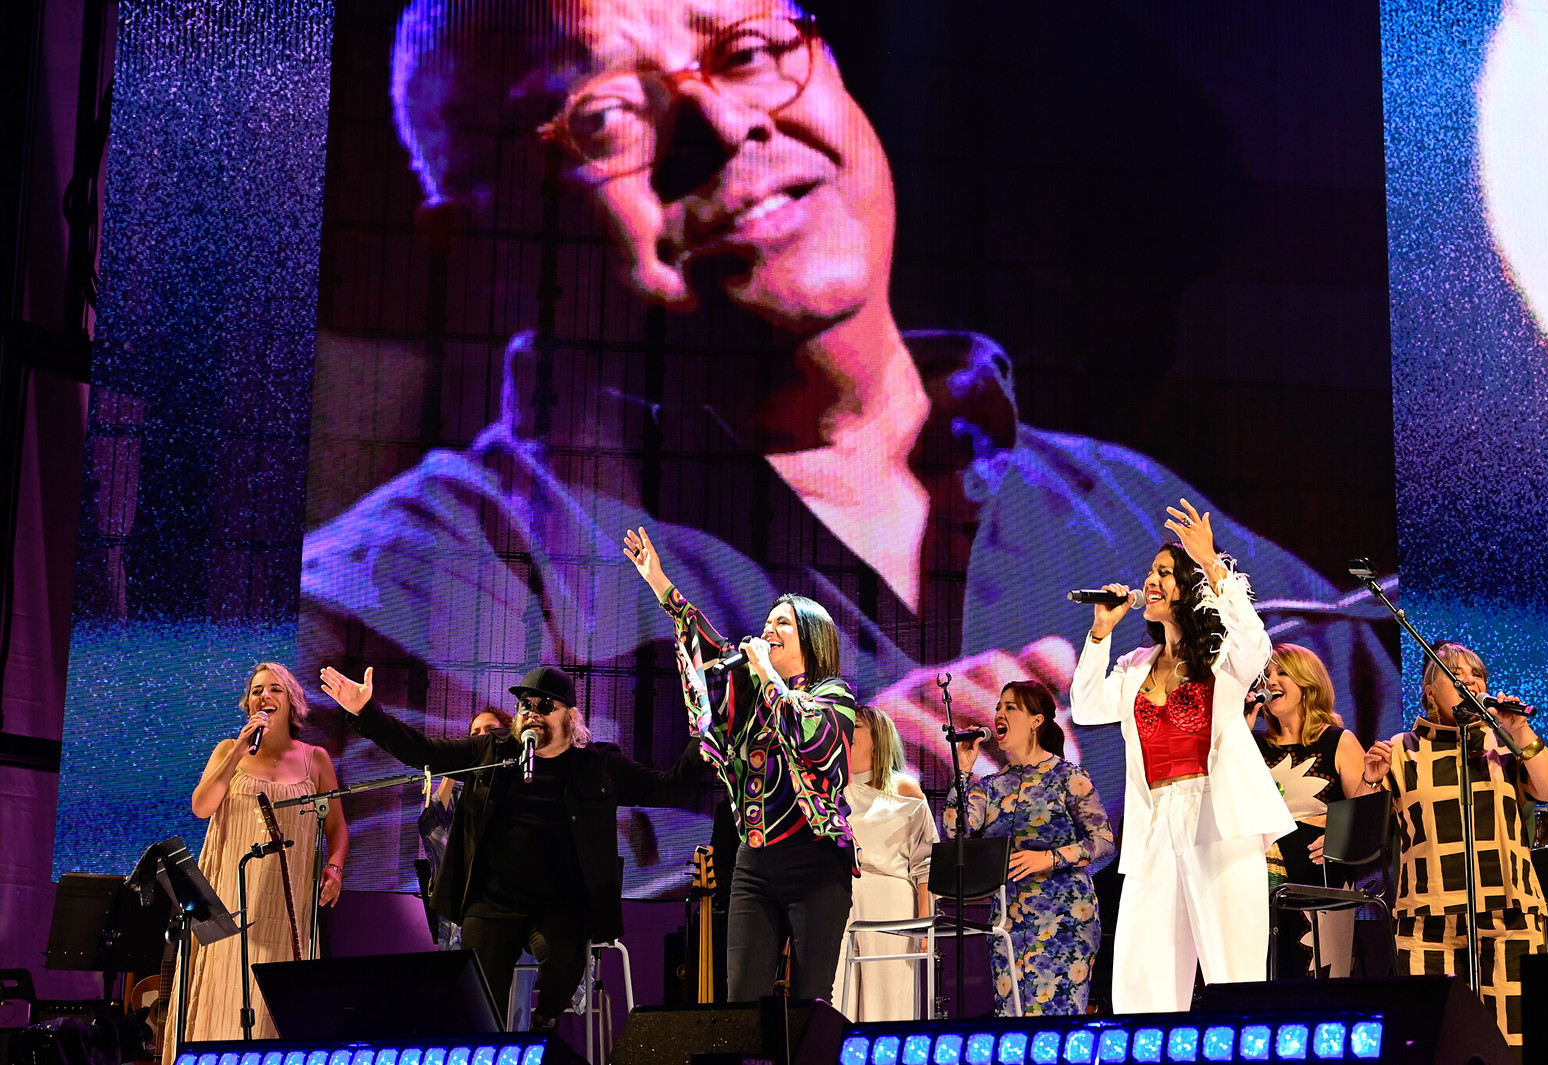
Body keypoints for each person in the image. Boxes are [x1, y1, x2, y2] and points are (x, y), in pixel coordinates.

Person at [298, 0, 1401, 896]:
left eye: (747, 50)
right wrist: (812, 812)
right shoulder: (423, 575)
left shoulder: (1117, 511)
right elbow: (384, 920)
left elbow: (1410, 761)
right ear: (477, 239)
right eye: (604, 119)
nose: (727, 126)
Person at [317, 662, 704, 1029]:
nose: (533, 712)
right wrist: (366, 712)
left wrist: (706, 732)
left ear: (570, 717)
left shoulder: (597, 766)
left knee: (565, 963)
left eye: (545, 705)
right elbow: (422, 750)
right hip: (492, 904)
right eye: (525, 705)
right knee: (481, 1003)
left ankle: (544, 1020)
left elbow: (670, 788)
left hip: (561, 905)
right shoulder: (489, 753)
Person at [1069, 499, 1295, 1013]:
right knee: (1139, 976)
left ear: (1189, 588)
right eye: (1150, 571)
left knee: (1233, 975)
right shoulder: (1134, 666)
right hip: (1154, 827)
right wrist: (1100, 632)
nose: (1150, 580)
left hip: (1218, 819)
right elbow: (1084, 707)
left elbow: (1255, 646)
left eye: (1164, 573)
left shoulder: (1221, 660)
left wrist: (1212, 562)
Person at [624, 525, 856, 1003]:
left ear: (812, 640)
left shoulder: (835, 697)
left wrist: (768, 673)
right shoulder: (749, 697)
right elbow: (707, 646)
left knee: (809, 1003)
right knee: (742, 1004)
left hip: (815, 863)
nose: (768, 630)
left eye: (784, 624)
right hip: (753, 863)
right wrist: (660, 585)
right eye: (767, 622)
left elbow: (811, 739)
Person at [1362, 642, 1548, 1048]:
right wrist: (1370, 778)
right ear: (1429, 690)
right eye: (1454, 674)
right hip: (1427, 919)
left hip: (1507, 913)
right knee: (1432, 1040)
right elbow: (1364, 835)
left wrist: (1519, 730)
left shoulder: (1504, 744)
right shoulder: (1403, 749)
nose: (1469, 681)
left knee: (1513, 1037)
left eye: (1477, 675)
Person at [171, 663, 348, 1053]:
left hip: (288, 904)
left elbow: (336, 827)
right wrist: (237, 748)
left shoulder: (315, 759)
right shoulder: (228, 751)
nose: (263, 696)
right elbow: (201, 807)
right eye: (256, 691)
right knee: (227, 992)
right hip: (232, 898)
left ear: (293, 703)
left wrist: (334, 868)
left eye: (275, 689)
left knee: (278, 1003)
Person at [947, 680, 1115, 1016]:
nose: (999, 713)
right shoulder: (990, 786)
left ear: (1036, 721)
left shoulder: (1068, 776)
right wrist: (963, 771)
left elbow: (1103, 841)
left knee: (1056, 1020)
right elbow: (956, 830)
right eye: (998, 707)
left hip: (1064, 914)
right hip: (1009, 918)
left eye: (1010, 707)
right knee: (1011, 1018)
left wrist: (1048, 858)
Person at [1253, 643, 1367, 978]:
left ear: (1308, 684)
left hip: (1319, 884)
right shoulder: (1251, 746)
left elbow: (1368, 814)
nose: (1271, 682)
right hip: (1259, 886)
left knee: (1318, 985)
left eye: (1282, 672)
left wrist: (1339, 830)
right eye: (1266, 676)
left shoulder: (1337, 741)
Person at [831, 704, 938, 1021]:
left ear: (878, 738)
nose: (846, 731)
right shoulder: (828, 791)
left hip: (889, 902)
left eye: (857, 726)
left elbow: (926, 864)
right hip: (837, 899)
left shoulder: (904, 789)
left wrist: (924, 923)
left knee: (888, 1005)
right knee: (836, 999)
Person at [418, 706, 513, 948]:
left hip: (512, 898)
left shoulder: (519, 784)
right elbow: (432, 827)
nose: (482, 736)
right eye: (475, 732)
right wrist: (455, 767)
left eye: (490, 730)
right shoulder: (462, 791)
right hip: (470, 900)